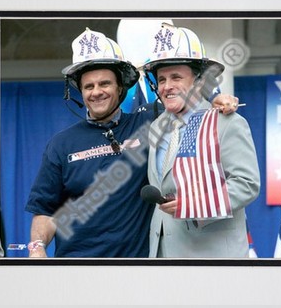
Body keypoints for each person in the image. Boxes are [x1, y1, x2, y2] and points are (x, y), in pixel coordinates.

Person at [24, 27, 240, 258]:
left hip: (139, 269)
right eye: (89, 86)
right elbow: (44, 210)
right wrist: (37, 248)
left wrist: (214, 98)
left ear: (120, 88)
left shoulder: (152, 123)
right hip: (76, 268)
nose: (96, 92)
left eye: (104, 84)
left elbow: (181, 93)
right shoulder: (60, 144)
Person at [142, 23, 260, 258]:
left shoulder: (226, 121)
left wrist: (194, 204)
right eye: (162, 79)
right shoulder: (155, 126)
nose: (167, 86)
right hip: (163, 255)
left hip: (213, 257)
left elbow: (247, 184)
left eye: (176, 77)